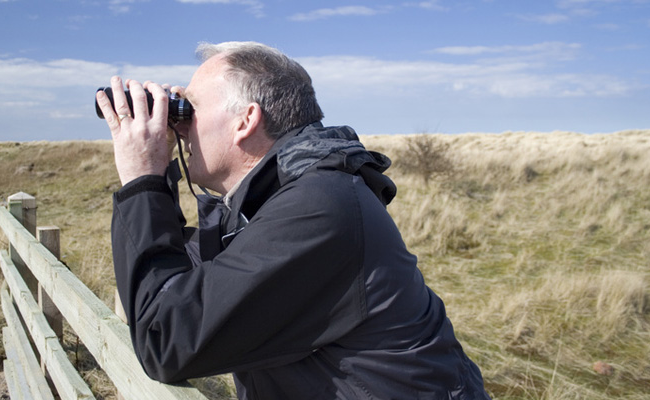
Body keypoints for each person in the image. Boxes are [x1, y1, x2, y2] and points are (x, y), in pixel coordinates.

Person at [97, 41, 490, 400]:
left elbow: (164, 338)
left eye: (189, 109)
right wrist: (157, 171)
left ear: (245, 120)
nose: (178, 124)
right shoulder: (266, 204)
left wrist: (142, 180)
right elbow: (172, 284)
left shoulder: (320, 207)